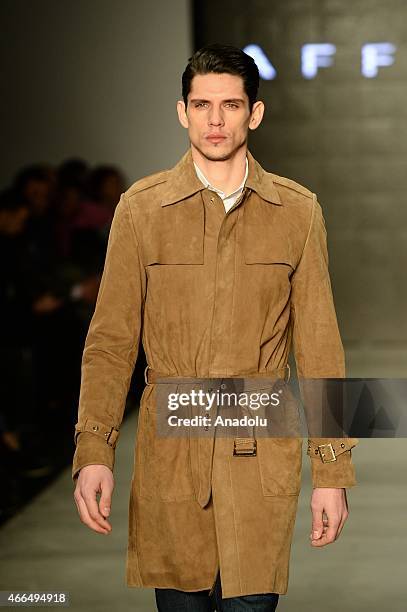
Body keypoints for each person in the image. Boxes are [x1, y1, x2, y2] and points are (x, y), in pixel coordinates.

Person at [72, 43, 358, 611]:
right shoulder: (142, 209)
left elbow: (321, 348)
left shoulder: (297, 212)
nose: (216, 120)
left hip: (260, 444)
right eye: (202, 105)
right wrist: (94, 451)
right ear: (182, 111)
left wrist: (332, 472)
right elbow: (110, 342)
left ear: (255, 113)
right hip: (172, 453)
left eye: (230, 105)